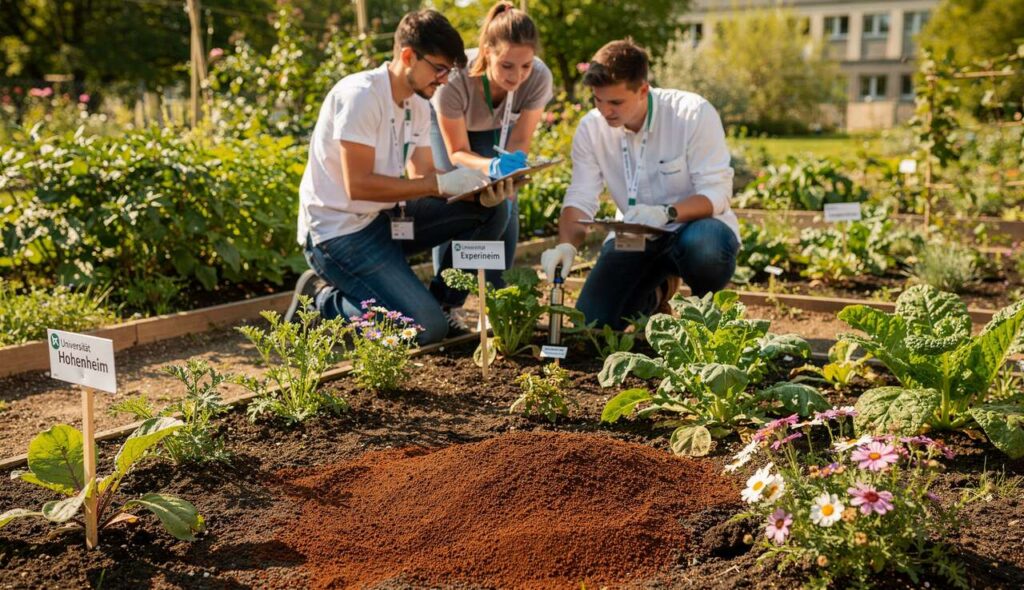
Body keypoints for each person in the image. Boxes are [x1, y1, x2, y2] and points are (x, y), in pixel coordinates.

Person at [284, 9, 517, 344]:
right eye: (438, 69)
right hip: (339, 233)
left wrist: (476, 191)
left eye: (448, 72)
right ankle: (323, 302)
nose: (442, 80)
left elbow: (423, 175)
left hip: (385, 217)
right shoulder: (361, 96)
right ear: (408, 55)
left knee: (493, 211)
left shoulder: (419, 104)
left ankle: (442, 305)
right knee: (425, 329)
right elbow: (358, 184)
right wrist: (438, 184)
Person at [540, 39, 740, 330]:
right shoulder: (591, 128)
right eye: (598, 100)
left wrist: (667, 212)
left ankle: (707, 313)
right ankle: (657, 292)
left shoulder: (692, 113)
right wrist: (566, 246)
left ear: (643, 89)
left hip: (693, 228)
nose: (605, 111)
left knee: (706, 249)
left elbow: (717, 193)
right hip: (633, 235)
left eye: (616, 102)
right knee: (593, 323)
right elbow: (581, 194)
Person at [428, 1, 554, 330]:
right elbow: (457, 152)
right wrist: (489, 169)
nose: (517, 76)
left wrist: (507, 172)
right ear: (487, 51)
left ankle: (500, 305)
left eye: (525, 66)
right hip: (451, 134)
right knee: (458, 205)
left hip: (496, 130)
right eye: (507, 66)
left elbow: (520, 140)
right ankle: (443, 301)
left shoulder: (538, 77)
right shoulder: (455, 79)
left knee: (505, 205)